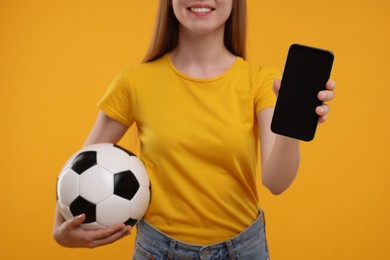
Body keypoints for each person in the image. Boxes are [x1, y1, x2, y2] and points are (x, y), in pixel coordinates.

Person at [52, 0, 336, 259]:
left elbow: (276, 182)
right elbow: (81, 167)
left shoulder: (263, 82)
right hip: (158, 251)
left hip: (244, 250)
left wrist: (291, 129)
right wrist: (59, 228)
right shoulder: (133, 82)